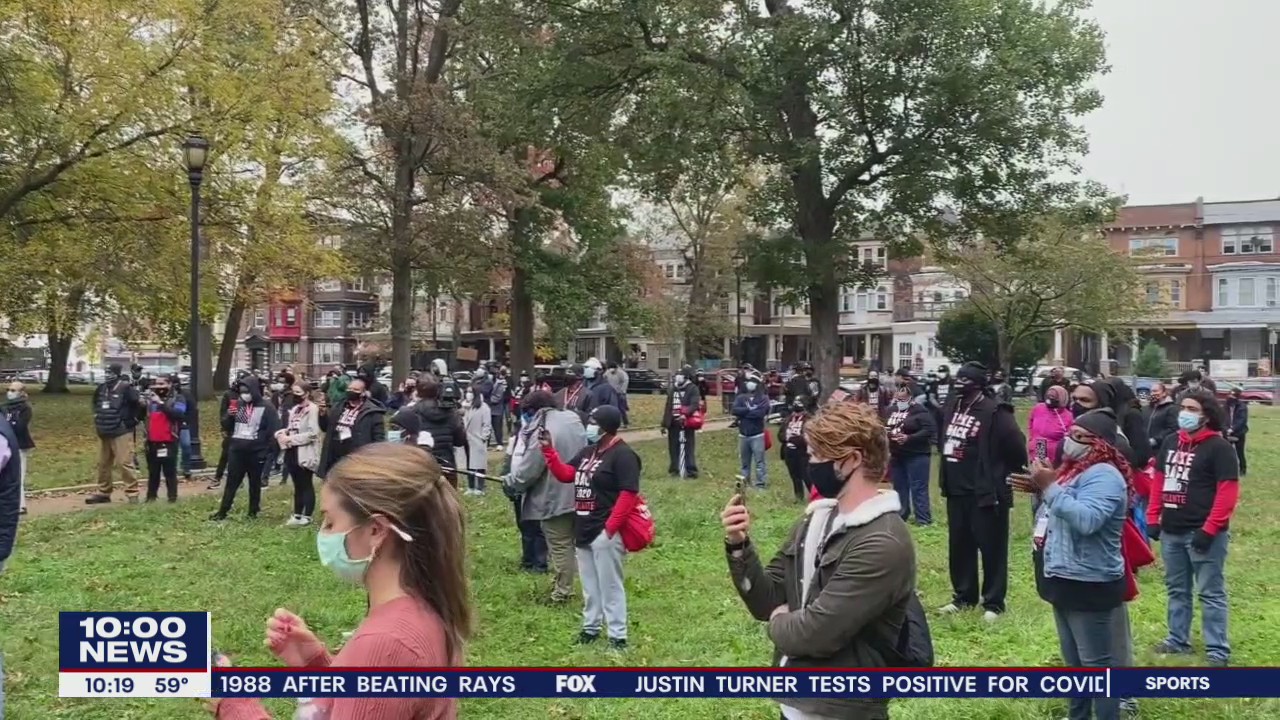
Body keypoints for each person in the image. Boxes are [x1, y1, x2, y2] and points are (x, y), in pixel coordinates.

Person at [211, 444, 470, 720]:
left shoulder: (385, 643)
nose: (323, 535)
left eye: (331, 523)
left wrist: (234, 704)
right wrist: (316, 667)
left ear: (375, 530)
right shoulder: (419, 610)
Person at [721, 401, 918, 720]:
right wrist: (738, 544)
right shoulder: (815, 520)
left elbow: (817, 633)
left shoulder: (883, 543)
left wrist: (777, 622)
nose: (808, 464)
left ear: (851, 460)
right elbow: (766, 599)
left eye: (815, 456)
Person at [1010, 408, 1128, 720]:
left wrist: (1050, 486)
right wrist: (1042, 486)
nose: (1069, 441)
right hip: (1064, 577)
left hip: (1089, 582)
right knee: (1075, 665)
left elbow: (1087, 520)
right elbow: (1066, 503)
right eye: (1069, 434)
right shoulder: (1076, 469)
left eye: (1079, 437)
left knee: (1097, 667)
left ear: (1100, 444)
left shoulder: (1105, 476)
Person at [1147, 389, 1238, 667]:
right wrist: (1153, 516)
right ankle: (1177, 639)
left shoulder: (1219, 448)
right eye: (1183, 407)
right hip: (1172, 530)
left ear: (1207, 415)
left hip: (1204, 533)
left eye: (1192, 408)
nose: (1185, 413)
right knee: (1177, 588)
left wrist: (1210, 529)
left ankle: (1217, 650)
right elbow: (1159, 481)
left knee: (1210, 592)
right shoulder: (1171, 442)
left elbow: (1227, 492)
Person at [538, 405, 638, 649]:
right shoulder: (588, 452)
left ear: (605, 427)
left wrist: (610, 530)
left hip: (605, 531)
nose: (588, 426)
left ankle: (617, 636)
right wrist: (548, 451)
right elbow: (566, 474)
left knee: (610, 585)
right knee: (591, 586)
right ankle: (590, 628)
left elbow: (628, 494)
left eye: (593, 421)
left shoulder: (624, 455)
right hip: (583, 527)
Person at [938, 362, 1027, 620]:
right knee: (960, 546)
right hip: (956, 490)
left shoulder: (995, 411)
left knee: (992, 548)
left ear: (978, 384)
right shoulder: (953, 407)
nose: (959, 383)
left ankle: (993, 603)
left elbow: (1016, 448)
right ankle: (964, 597)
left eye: (965, 380)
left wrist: (1002, 474)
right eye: (958, 378)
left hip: (986, 493)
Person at [507, 390, 587, 603]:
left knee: (560, 545)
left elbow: (530, 468)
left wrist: (513, 482)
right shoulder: (572, 418)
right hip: (581, 489)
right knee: (574, 543)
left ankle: (563, 592)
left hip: (555, 493)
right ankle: (570, 583)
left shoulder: (541, 429)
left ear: (534, 410)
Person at [210, 377, 280, 521]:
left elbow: (273, 430)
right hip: (237, 450)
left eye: (247, 391)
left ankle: (253, 511)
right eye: (241, 391)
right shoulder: (241, 405)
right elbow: (231, 426)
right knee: (232, 482)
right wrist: (230, 415)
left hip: (256, 452)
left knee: (254, 484)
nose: (244, 394)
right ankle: (223, 510)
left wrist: (267, 450)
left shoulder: (267, 407)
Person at [85, 363, 143, 505]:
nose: (107, 374)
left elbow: (140, 404)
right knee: (103, 463)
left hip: (121, 431)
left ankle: (132, 493)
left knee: (124, 462)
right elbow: (95, 404)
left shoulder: (126, 388)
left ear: (117, 373)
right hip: (104, 430)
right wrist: (96, 417)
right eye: (106, 372)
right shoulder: (101, 388)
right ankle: (103, 492)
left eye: (110, 372)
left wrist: (133, 421)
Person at [886, 384, 937, 525]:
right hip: (897, 454)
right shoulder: (890, 410)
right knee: (899, 487)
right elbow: (883, 425)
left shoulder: (920, 412)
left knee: (918, 487)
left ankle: (923, 519)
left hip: (917, 454)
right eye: (897, 398)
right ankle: (902, 514)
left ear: (911, 398)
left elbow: (929, 429)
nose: (899, 401)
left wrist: (909, 437)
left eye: (903, 398)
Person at [318, 378, 387, 480]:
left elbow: (379, 439)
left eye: (356, 390)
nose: (351, 392)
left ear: (363, 393)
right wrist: (323, 415)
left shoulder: (372, 412)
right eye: (349, 389)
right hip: (335, 453)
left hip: (356, 455)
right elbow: (326, 428)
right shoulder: (339, 406)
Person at [277, 384, 321, 527]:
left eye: (298, 392)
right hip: (291, 450)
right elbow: (291, 427)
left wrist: (292, 439)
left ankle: (307, 515)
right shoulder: (295, 409)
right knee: (296, 484)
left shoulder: (313, 409)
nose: (295, 395)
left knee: (306, 483)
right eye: (293, 392)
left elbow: (313, 433)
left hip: (305, 451)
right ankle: (297, 514)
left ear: (307, 393)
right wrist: (283, 433)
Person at [413, 380, 467, 489]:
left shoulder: (413, 410)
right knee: (448, 501)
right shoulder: (452, 413)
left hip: (422, 464)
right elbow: (460, 441)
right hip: (447, 465)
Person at [142, 374, 187, 503]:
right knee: (153, 472)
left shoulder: (178, 398)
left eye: (162, 384)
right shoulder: (150, 400)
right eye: (156, 384)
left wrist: (161, 403)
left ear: (170, 384)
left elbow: (178, 414)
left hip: (169, 440)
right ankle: (151, 497)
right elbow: (142, 416)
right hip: (152, 441)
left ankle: (172, 498)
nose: (159, 387)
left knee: (170, 471)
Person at [210, 370, 251, 491]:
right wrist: (225, 423)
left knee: (243, 456)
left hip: (246, 428)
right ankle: (217, 477)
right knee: (226, 455)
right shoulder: (229, 394)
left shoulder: (251, 395)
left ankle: (240, 479)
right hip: (232, 428)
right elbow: (223, 414)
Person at [661, 365, 703, 479]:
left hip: (687, 423)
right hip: (673, 423)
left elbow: (694, 404)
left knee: (688, 446)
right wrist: (664, 424)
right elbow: (668, 406)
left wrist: (685, 414)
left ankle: (691, 470)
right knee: (673, 447)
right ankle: (674, 469)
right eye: (677, 375)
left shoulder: (693, 388)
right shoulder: (673, 389)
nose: (678, 378)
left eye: (681, 375)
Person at [732, 370, 770, 490]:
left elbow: (760, 413)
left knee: (759, 462)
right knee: (744, 462)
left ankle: (760, 484)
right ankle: (745, 483)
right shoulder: (741, 397)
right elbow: (735, 410)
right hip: (743, 434)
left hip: (757, 434)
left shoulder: (763, 398)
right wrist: (749, 411)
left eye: (753, 382)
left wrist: (745, 413)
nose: (750, 384)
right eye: (749, 381)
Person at [777, 395, 814, 502]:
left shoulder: (809, 419)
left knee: (806, 476)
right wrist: (786, 438)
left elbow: (810, 437)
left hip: (803, 452)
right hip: (789, 451)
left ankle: (814, 496)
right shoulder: (788, 419)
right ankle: (799, 497)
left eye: (799, 411)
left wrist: (797, 440)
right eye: (795, 411)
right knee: (794, 475)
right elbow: (780, 434)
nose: (796, 414)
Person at [3, 382, 33, 515]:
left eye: (13, 390)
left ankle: (20, 505)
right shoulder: (5, 408)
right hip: (5, 445)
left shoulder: (25, 408)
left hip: (19, 445)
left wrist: (8, 427)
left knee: (18, 474)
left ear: (21, 392)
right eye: (8, 389)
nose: (10, 392)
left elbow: (20, 426)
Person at [1027, 385, 1074, 467]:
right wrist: (1032, 438)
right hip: (1039, 444)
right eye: (1048, 396)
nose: (1050, 399)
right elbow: (1030, 421)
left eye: (1053, 396)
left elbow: (1070, 436)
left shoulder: (1068, 416)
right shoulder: (1039, 408)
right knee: (1039, 470)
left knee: (1052, 474)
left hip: (1055, 452)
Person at [462, 387, 492, 496]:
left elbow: (487, 424)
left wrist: (484, 437)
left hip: (478, 439)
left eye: (470, 392)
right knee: (469, 464)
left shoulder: (484, 407)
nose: (468, 394)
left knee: (479, 465)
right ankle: (470, 486)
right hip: (467, 439)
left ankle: (480, 487)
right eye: (467, 392)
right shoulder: (464, 406)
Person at [1144, 382, 1179, 453]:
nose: (1152, 394)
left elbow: (1173, 428)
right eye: (1151, 391)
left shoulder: (1171, 409)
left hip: (1161, 449)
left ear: (1164, 393)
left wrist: (1156, 440)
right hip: (1146, 448)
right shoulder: (1146, 409)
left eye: (1155, 391)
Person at [1224, 387, 1248, 476]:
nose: (1230, 398)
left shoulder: (1242, 407)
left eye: (1233, 396)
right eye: (1229, 395)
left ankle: (1243, 469)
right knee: (1226, 453)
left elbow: (1242, 420)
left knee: (1240, 452)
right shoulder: (1225, 406)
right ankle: (1228, 469)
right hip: (1226, 433)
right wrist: (1225, 429)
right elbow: (1223, 418)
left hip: (1239, 433)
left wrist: (1233, 429)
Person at [486, 368, 508, 448]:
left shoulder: (500, 384)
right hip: (488, 409)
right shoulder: (486, 383)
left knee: (497, 427)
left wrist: (487, 400)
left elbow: (498, 397)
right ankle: (487, 443)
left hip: (497, 409)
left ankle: (499, 443)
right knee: (487, 427)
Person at [604, 362, 630, 427]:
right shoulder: (607, 373)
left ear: (616, 368)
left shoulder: (620, 373)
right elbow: (604, 379)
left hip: (619, 393)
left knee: (621, 408)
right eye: (610, 368)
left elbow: (625, 381)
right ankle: (612, 422)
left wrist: (622, 390)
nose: (611, 370)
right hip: (611, 392)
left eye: (612, 369)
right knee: (611, 408)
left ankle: (625, 423)